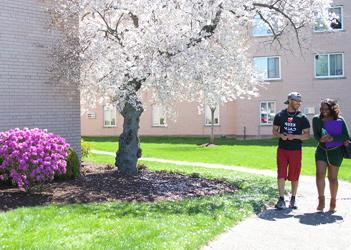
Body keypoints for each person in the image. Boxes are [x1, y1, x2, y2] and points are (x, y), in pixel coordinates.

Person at [272, 92, 310, 209]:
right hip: (282, 149)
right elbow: (274, 132)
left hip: (296, 150)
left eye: (300, 101)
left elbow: (307, 135)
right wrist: (281, 135)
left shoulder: (302, 117)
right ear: (289, 100)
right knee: (281, 173)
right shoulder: (279, 116)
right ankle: (281, 199)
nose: (299, 103)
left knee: (294, 175)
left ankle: (293, 199)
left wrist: (295, 136)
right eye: (296, 100)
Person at [312, 99, 350, 212]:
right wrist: (321, 139)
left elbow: (346, 136)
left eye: (326, 109)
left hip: (336, 152)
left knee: (332, 178)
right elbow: (316, 135)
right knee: (320, 175)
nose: (323, 111)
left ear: (332, 109)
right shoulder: (316, 119)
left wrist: (333, 138)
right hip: (322, 150)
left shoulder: (339, 120)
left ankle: (333, 201)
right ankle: (321, 199)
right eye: (322, 109)